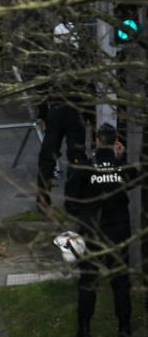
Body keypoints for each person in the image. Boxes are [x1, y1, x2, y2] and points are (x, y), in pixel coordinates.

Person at [67, 124, 135, 337]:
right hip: (118, 232)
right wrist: (121, 158)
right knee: (120, 279)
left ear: (96, 141)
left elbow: (70, 201)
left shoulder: (85, 168)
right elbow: (134, 179)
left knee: (88, 280)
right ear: (115, 142)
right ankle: (124, 327)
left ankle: (84, 328)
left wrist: (83, 216)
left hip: (92, 231)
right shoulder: (122, 168)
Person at [36, 22, 89, 213]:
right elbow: (89, 88)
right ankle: (75, 199)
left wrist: (43, 115)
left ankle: (43, 199)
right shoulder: (81, 60)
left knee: (47, 156)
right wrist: (89, 115)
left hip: (56, 111)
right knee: (77, 156)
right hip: (76, 111)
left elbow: (41, 90)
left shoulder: (49, 61)